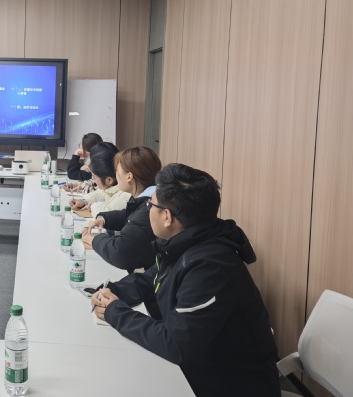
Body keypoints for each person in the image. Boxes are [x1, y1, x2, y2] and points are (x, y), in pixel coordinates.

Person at [91, 163, 280, 397]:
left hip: (229, 384)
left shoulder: (210, 267)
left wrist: (116, 313)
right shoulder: (187, 241)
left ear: (167, 217)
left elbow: (176, 344)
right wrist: (112, 292)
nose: (148, 210)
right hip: (201, 367)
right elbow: (152, 278)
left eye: (151, 205)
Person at [81, 146, 161, 272]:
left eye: (117, 172)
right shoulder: (148, 198)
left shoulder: (150, 208)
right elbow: (129, 216)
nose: (116, 177)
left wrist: (95, 240)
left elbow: (120, 252)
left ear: (129, 177)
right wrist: (104, 219)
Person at [71, 143, 130, 218]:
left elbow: (106, 212)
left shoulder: (126, 192)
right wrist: (84, 201)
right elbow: (102, 193)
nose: (93, 180)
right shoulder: (113, 186)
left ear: (109, 180)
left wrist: (93, 205)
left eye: (94, 177)